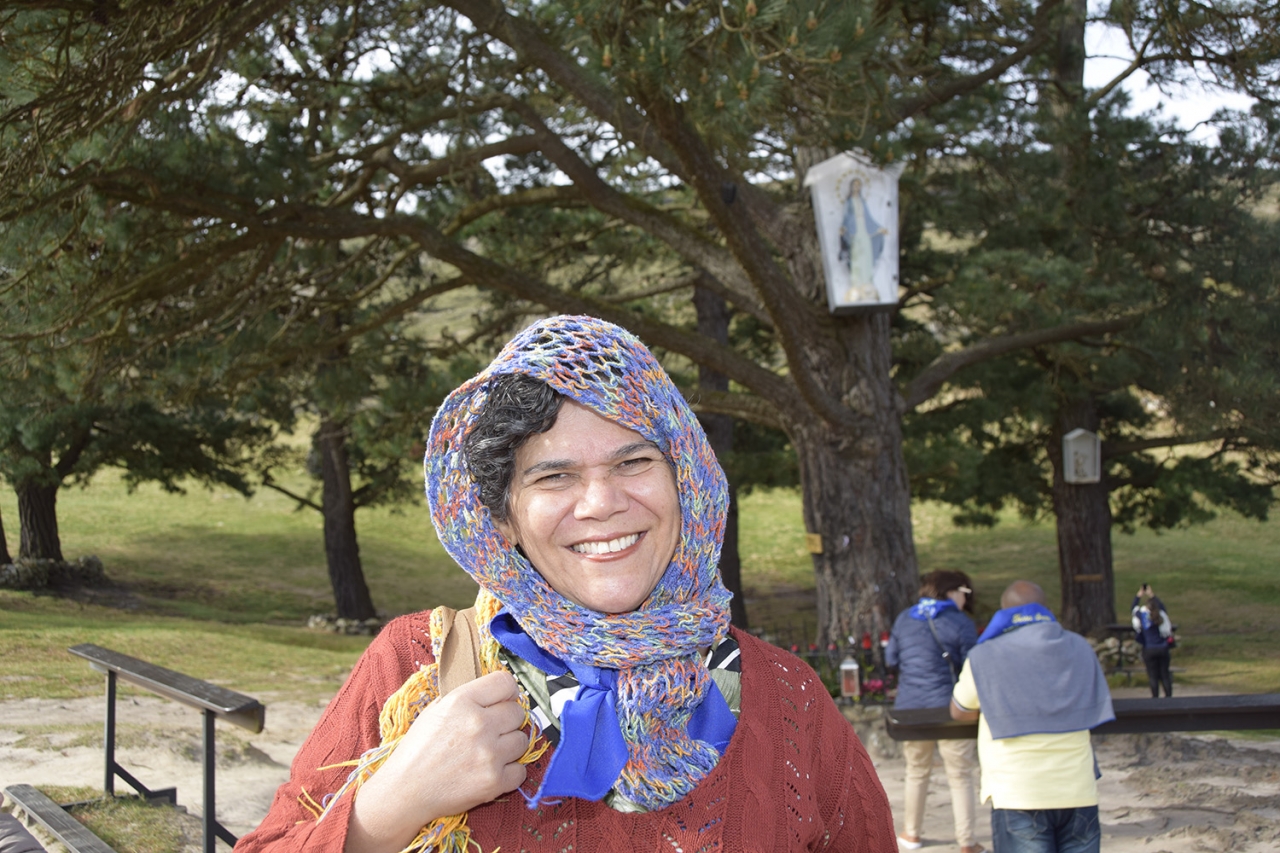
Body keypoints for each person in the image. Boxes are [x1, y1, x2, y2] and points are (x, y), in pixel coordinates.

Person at [235, 315, 895, 853]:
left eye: (633, 462)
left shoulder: (787, 698)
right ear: (503, 519)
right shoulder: (413, 668)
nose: (601, 503)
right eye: (553, 477)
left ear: (686, 481)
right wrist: (387, 807)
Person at [949, 581, 1115, 853]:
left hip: (1018, 789)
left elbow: (960, 710)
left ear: (1004, 613)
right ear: (1045, 609)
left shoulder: (985, 654)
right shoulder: (1079, 646)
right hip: (1078, 786)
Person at [884, 571, 981, 853]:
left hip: (912, 709)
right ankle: (967, 841)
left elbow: (891, 658)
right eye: (964, 593)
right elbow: (972, 665)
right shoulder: (960, 622)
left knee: (916, 771)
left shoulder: (905, 618)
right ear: (952, 592)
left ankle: (911, 834)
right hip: (951, 709)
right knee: (960, 774)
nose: (965, 599)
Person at [1131, 584, 1174, 698]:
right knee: (1165, 675)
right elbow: (1163, 608)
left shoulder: (1142, 616)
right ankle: (1169, 699)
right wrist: (1152, 595)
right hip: (1163, 648)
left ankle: (1155, 699)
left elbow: (1133, 608)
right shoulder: (1160, 615)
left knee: (1153, 676)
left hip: (1149, 649)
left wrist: (1139, 595)